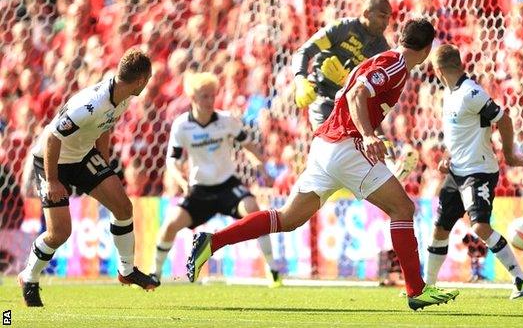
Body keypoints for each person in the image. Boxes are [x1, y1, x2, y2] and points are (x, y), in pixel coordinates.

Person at [187, 19, 460, 311]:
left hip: (325, 146)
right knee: (403, 209)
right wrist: (368, 135)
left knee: (288, 219)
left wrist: (372, 133)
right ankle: (415, 290)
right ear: (427, 47)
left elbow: (352, 96)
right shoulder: (395, 65)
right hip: (347, 146)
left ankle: (211, 242)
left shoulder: (382, 61)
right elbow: (356, 95)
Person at [18, 48, 159, 307]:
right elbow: (52, 137)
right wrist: (52, 181)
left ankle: (126, 271)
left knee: (123, 207)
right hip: (52, 160)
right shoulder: (90, 104)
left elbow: (105, 127)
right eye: (148, 80)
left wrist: (103, 166)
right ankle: (29, 277)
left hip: (82, 157)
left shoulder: (124, 96)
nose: (147, 84)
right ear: (140, 80)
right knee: (59, 233)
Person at [151, 72, 281, 287]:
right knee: (169, 225)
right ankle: (154, 274)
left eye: (213, 96)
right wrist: (181, 180)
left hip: (227, 185)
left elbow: (248, 144)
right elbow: (172, 161)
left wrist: (258, 162)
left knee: (254, 211)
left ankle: (273, 271)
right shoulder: (182, 126)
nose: (211, 101)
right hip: (199, 189)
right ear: (193, 98)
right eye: (205, 96)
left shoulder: (226, 120)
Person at [424, 44, 523, 299]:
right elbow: (460, 135)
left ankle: (521, 280)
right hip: (457, 171)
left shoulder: (471, 92)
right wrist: (446, 159)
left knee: (480, 226)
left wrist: (508, 154)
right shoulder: (450, 94)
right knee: (440, 228)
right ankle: (425, 286)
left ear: (439, 70)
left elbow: (503, 119)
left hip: (479, 170)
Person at [292, 0, 391, 130]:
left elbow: (376, 91)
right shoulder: (342, 29)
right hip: (322, 96)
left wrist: (346, 81)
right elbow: (304, 52)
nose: (386, 23)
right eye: (382, 16)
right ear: (366, 13)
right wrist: (300, 80)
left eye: (388, 18)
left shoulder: (382, 49)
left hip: (350, 104)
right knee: (325, 142)